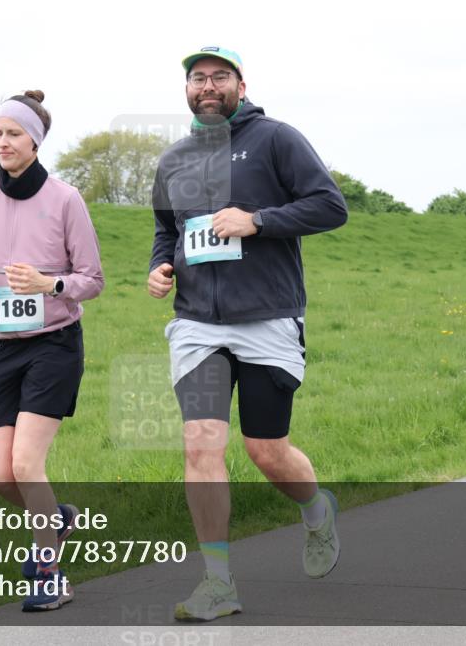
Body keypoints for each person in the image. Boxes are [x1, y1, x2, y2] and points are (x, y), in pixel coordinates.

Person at [147, 47, 349, 622]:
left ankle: (316, 511)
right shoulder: (176, 158)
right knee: (201, 444)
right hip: (197, 325)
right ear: (186, 90)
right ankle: (218, 583)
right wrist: (162, 266)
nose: (207, 86)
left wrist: (257, 220)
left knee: (266, 450)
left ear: (240, 84)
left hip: (266, 318)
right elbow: (169, 230)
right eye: (197, 79)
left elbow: (330, 207)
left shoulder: (276, 139)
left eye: (218, 77)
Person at [0, 89, 104, 612]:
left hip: (54, 344)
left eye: (13, 133)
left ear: (35, 142)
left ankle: (48, 570)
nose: (3, 142)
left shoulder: (65, 199)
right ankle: (57, 520)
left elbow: (92, 279)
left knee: (24, 463)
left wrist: (50, 285)